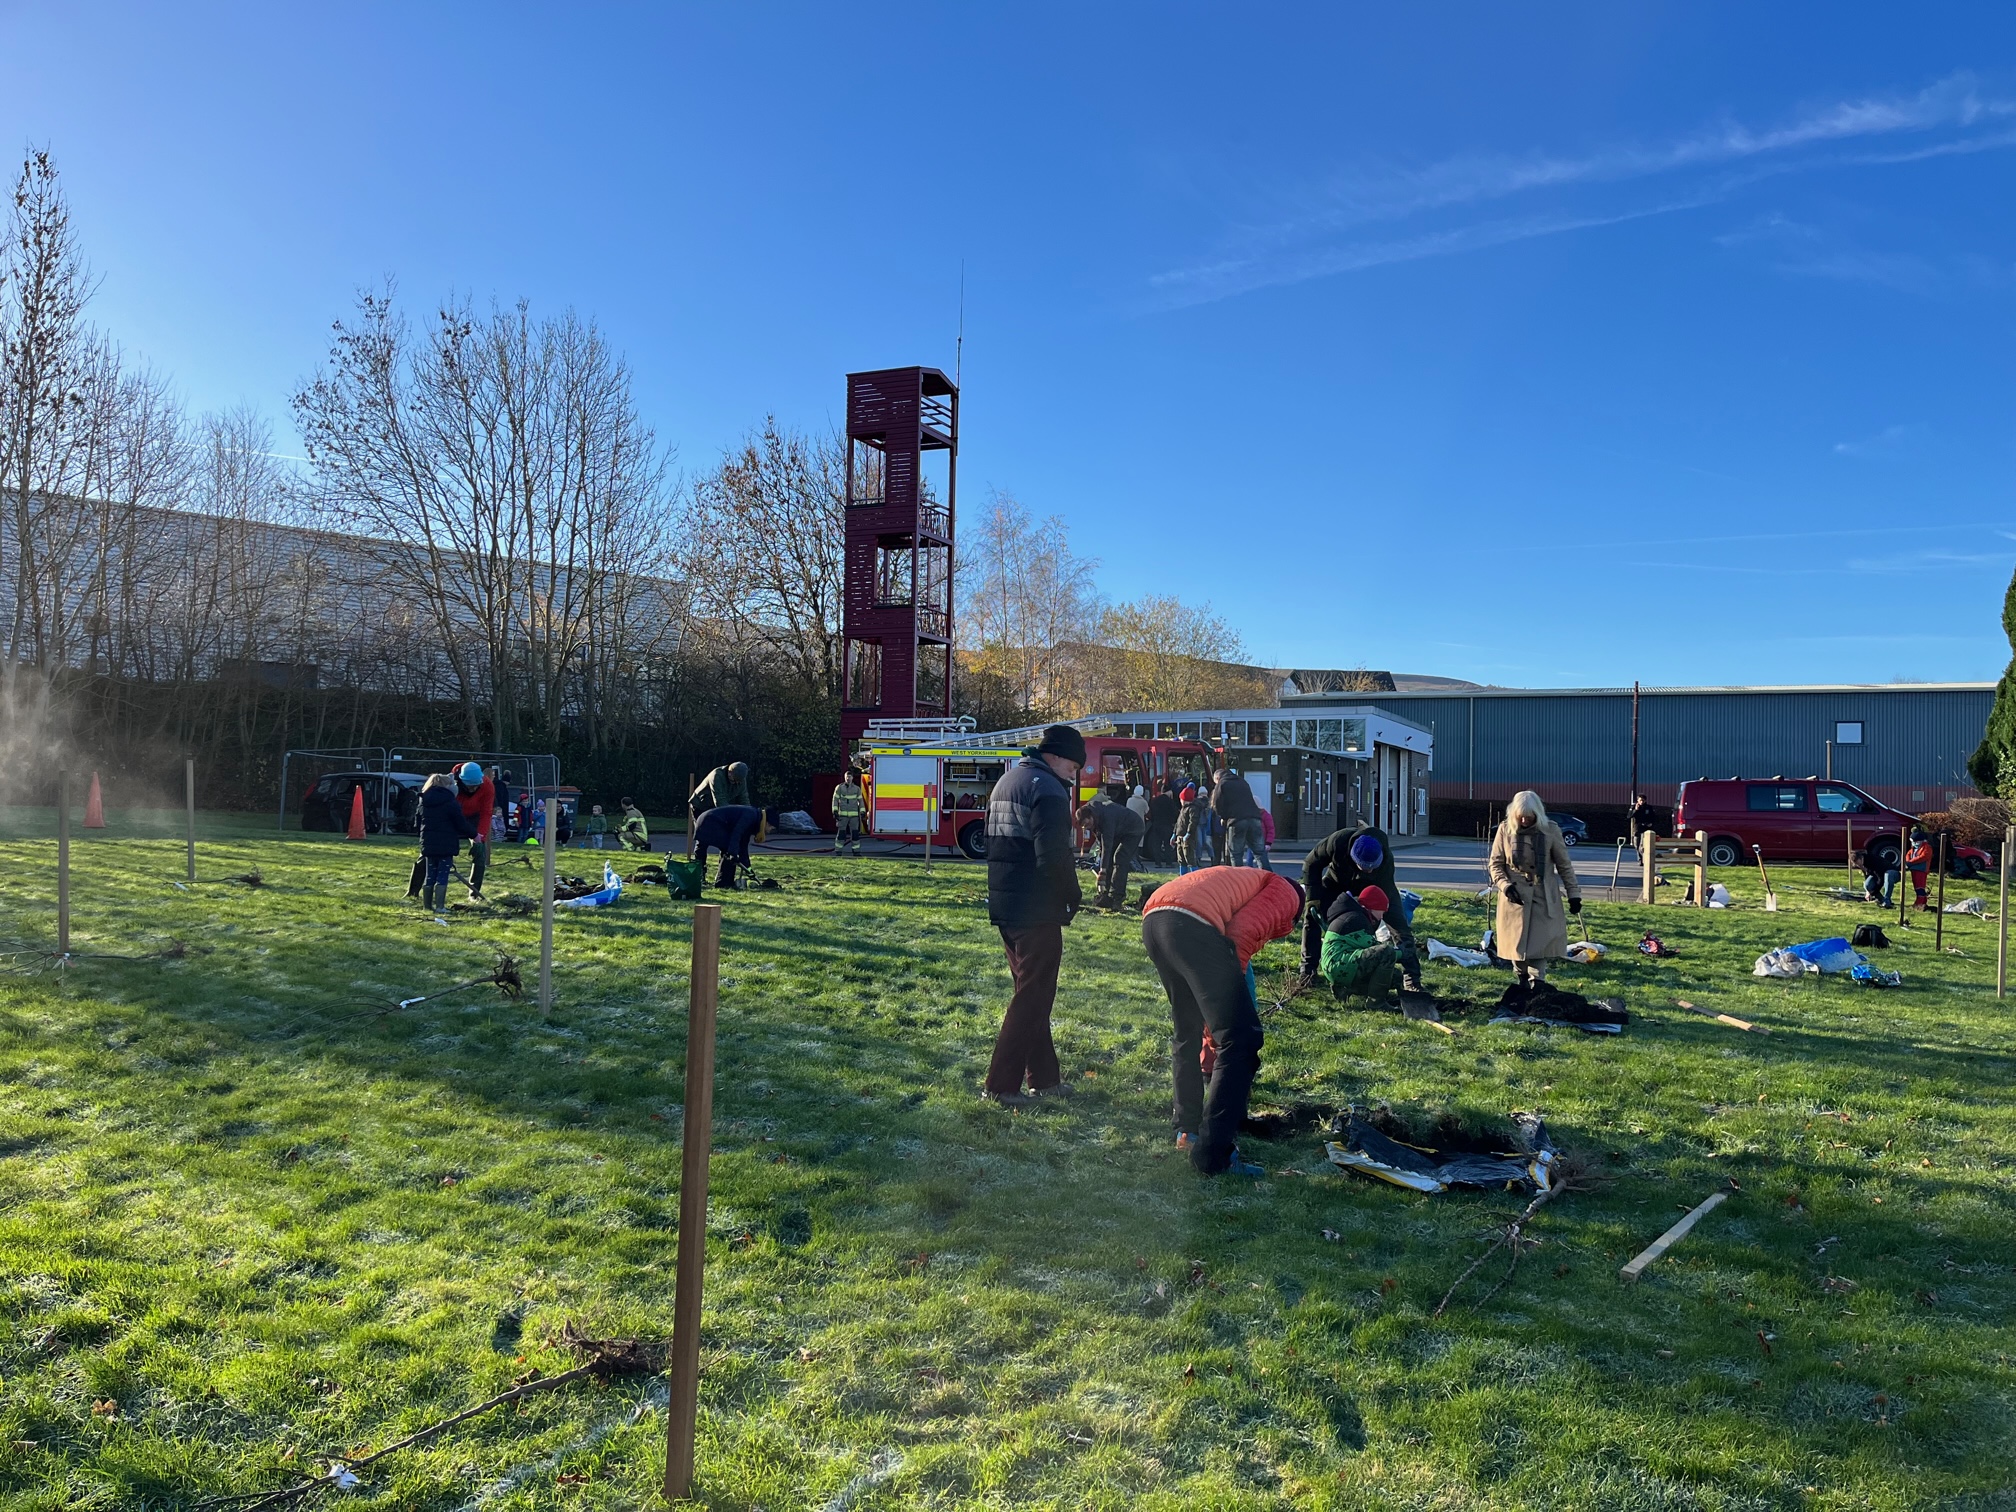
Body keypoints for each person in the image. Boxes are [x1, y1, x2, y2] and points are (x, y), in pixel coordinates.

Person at [1140, 863, 1303, 1176]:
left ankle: (1187, 1130)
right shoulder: (1286, 893)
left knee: (1186, 1030)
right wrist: (1229, 1007)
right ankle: (1214, 1156)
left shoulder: (1248, 880)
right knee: (1241, 1040)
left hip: (1156, 919)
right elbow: (1240, 939)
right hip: (1191, 923)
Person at [982, 724, 1085, 1106]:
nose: (1074, 776)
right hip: (1037, 907)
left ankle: (1044, 1079)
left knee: (1031, 995)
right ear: (1055, 756)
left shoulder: (1009, 780)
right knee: (1032, 999)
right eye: (1073, 767)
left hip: (1006, 906)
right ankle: (1000, 1086)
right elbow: (1053, 858)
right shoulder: (1049, 790)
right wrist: (1072, 897)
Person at [1300, 824, 1420, 992]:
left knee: (1400, 927)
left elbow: (1388, 901)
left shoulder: (1385, 860)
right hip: (1336, 883)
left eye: (1372, 866)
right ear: (1352, 856)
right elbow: (1311, 863)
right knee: (1312, 917)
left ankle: (1412, 979)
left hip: (1373, 886)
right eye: (1364, 866)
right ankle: (1307, 971)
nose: (1368, 870)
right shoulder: (1337, 842)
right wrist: (1313, 898)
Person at [1487, 790, 1582, 987]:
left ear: (1536, 814)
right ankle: (1521, 980)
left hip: (1543, 894)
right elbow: (1495, 864)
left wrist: (1574, 895)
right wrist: (1505, 886)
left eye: (1528, 816)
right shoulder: (1505, 830)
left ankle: (1538, 983)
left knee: (1541, 944)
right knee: (1516, 943)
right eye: (1520, 815)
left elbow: (1564, 865)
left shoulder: (1550, 830)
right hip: (1514, 897)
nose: (1523, 819)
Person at [1318, 885, 1402, 1001]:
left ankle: (1346, 989)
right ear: (1372, 907)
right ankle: (1376, 1002)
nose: (1382, 917)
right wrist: (1402, 953)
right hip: (1339, 966)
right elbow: (1375, 947)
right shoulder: (1355, 920)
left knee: (1395, 976)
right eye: (1381, 912)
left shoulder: (1352, 915)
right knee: (1386, 952)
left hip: (1336, 966)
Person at [416, 771, 478, 914]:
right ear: (447, 787)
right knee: (442, 875)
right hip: (446, 845)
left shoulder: (423, 801)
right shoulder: (450, 802)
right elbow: (460, 823)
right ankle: (440, 907)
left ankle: (427, 907)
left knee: (430, 874)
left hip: (429, 844)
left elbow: (417, 822)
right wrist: (474, 835)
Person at [1091, 782, 1147, 911]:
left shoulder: (1107, 818)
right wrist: (1103, 871)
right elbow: (1103, 848)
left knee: (1120, 859)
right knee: (1110, 858)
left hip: (1134, 830)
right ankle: (1106, 894)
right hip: (1121, 829)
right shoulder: (1097, 818)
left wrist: (1103, 871)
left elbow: (1108, 845)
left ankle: (1117, 897)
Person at [691, 803, 767, 888]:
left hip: (702, 819)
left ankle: (697, 880)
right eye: (771, 827)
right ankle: (724, 883)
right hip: (712, 822)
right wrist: (733, 854)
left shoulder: (753, 815)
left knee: (701, 848)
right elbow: (737, 833)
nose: (770, 830)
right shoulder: (751, 816)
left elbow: (743, 847)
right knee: (728, 851)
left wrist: (749, 870)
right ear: (766, 823)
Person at [1211, 768, 1264, 868]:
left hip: (1236, 820)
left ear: (1218, 778)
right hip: (1255, 818)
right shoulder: (1242, 781)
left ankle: (1238, 879)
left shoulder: (1222, 784)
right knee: (1260, 853)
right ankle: (1269, 878)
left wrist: (1223, 817)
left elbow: (1217, 803)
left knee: (1236, 854)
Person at [689, 761, 751, 834]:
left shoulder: (740, 779)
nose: (736, 783)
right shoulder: (717, 775)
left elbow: (743, 798)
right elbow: (720, 800)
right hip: (700, 805)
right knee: (703, 834)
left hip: (715, 806)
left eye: (738, 781)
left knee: (724, 835)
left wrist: (748, 814)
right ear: (729, 772)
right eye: (734, 780)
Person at [1173, 783, 1207, 874]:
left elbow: (1193, 822)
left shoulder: (1193, 809)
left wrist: (1188, 833)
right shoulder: (1183, 809)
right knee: (1181, 858)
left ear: (1185, 800)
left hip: (1188, 837)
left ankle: (1194, 875)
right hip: (1180, 836)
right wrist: (1174, 834)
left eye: (1181, 799)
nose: (1180, 801)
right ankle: (1182, 876)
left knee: (1190, 857)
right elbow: (1178, 822)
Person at [831, 770, 866, 857]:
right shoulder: (839, 788)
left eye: (850, 777)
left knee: (855, 834)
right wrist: (835, 811)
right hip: (842, 816)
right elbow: (835, 800)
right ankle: (838, 851)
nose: (848, 778)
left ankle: (856, 851)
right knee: (841, 834)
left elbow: (861, 801)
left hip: (854, 817)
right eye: (847, 776)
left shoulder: (857, 789)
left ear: (852, 778)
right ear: (844, 777)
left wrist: (862, 811)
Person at [1146, 782, 1179, 866]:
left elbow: (1150, 813)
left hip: (1156, 824)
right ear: (1169, 792)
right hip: (1167, 825)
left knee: (1156, 844)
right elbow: (1175, 813)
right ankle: (1168, 863)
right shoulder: (1170, 802)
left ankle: (1158, 863)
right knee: (1167, 845)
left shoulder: (1154, 801)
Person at [1857, 843, 1898, 908]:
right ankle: (1881, 900)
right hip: (1879, 875)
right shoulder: (1862, 864)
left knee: (1888, 875)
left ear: (1861, 858)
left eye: (1858, 862)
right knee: (1867, 884)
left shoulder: (1872, 861)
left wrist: (1872, 892)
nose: (1858, 865)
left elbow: (1880, 879)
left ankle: (1887, 900)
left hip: (1892, 872)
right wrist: (1868, 891)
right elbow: (1867, 876)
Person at [1905, 826, 1934, 910]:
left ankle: (1919, 903)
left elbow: (1923, 857)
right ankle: (1923, 902)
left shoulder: (1927, 848)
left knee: (1919, 887)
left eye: (1914, 841)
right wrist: (1908, 861)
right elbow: (1908, 854)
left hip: (1921, 870)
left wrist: (1911, 862)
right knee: (1917, 887)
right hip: (1914, 870)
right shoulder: (1914, 848)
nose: (1913, 843)